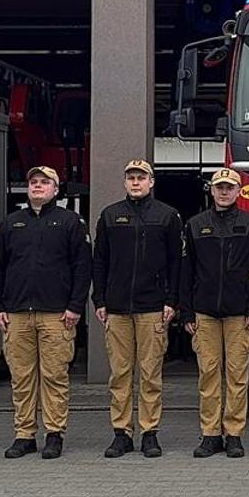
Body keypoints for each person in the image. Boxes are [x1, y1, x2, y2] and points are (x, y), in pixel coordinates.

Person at [0, 165, 90, 460]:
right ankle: (24, 435)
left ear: (56, 190)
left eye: (45, 182)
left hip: (56, 314)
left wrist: (75, 306)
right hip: (17, 314)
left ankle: (54, 434)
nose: (37, 186)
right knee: (21, 377)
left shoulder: (71, 222)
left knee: (54, 376)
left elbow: (82, 268)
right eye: (33, 182)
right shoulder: (11, 224)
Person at [91, 159, 182, 459]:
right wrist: (100, 300)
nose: (135, 182)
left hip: (152, 307)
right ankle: (121, 433)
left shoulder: (167, 216)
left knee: (150, 373)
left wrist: (171, 300)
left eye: (141, 177)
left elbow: (175, 263)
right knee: (119, 374)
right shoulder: (110, 215)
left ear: (151, 182)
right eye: (130, 177)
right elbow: (100, 261)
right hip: (116, 308)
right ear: (125, 182)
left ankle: (149, 432)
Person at [180, 168, 249, 458]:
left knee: (238, 376)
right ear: (212, 191)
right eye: (219, 187)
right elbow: (186, 272)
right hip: (204, 313)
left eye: (230, 187)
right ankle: (210, 434)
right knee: (208, 375)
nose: (224, 192)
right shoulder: (195, 225)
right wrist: (187, 313)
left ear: (238, 191)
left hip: (240, 314)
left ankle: (234, 435)